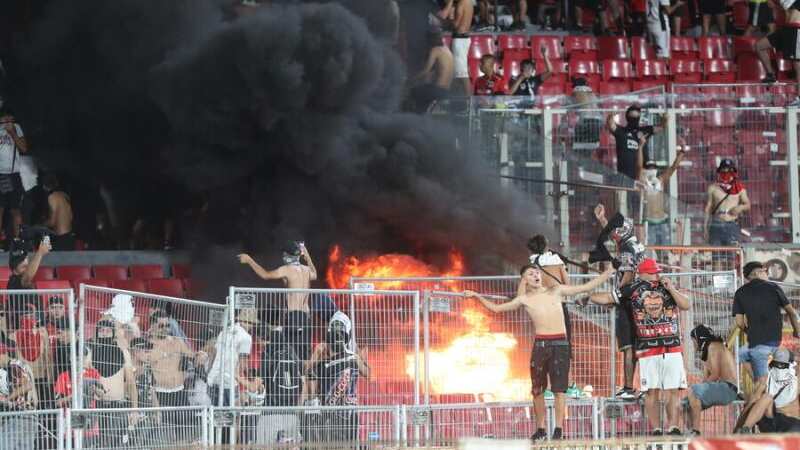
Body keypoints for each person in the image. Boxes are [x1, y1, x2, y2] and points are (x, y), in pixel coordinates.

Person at [466, 264, 615, 441]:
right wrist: (476, 296)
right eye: (531, 273)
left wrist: (607, 273)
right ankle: (541, 429)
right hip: (541, 345)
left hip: (560, 344)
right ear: (525, 280)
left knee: (560, 389)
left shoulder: (556, 290)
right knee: (537, 390)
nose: (536, 275)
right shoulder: (524, 299)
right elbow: (497, 309)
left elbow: (585, 287)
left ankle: (558, 430)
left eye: (537, 272)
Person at [622, 258, 690, 435]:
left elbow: (686, 305)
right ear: (642, 273)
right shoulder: (634, 289)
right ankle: (657, 429)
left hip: (672, 348)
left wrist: (671, 288)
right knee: (651, 391)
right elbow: (616, 294)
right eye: (653, 272)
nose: (657, 275)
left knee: (672, 390)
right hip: (647, 349)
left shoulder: (666, 288)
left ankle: (673, 427)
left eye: (657, 271)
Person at [238, 242, 317, 362]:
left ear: (287, 255)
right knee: (304, 357)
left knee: (290, 355)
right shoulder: (306, 270)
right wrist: (307, 255)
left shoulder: (286, 269)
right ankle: (302, 379)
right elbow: (315, 274)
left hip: (293, 317)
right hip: (306, 318)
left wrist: (249, 260)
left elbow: (265, 275)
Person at [304, 312, 370, 445]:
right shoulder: (352, 358)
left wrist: (315, 356)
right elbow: (368, 374)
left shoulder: (326, 363)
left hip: (340, 415)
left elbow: (308, 379)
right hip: (338, 416)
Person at [734, 261, 800, 384]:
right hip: (774, 341)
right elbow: (791, 312)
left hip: (756, 342)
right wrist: (796, 331)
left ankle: (759, 381)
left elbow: (739, 322)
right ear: (757, 273)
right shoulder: (773, 287)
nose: (767, 274)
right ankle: (764, 384)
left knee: (742, 355)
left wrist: (750, 332)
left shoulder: (740, 292)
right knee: (765, 382)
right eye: (765, 271)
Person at [148, 311, 204, 428]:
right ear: (152, 325)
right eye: (161, 325)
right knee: (166, 433)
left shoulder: (177, 341)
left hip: (180, 392)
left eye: (167, 325)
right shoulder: (148, 346)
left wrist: (201, 355)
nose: (165, 328)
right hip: (160, 394)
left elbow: (192, 355)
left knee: (185, 430)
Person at [90, 319, 138, 448]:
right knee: (100, 445)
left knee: (118, 446)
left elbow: (131, 383)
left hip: (118, 407)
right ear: (96, 333)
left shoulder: (123, 352)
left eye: (108, 330)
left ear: (113, 334)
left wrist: (134, 409)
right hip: (96, 408)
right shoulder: (89, 353)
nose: (104, 333)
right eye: (101, 330)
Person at [686, 325, 739, 436]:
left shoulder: (714, 346)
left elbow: (715, 374)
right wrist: (696, 392)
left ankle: (695, 431)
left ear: (699, 338)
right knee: (685, 403)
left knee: (693, 391)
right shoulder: (706, 352)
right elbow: (705, 380)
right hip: (723, 388)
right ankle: (690, 432)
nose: (693, 344)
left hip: (729, 388)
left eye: (693, 341)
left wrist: (696, 390)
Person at [736, 348, 800, 433]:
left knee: (763, 397)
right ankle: (744, 429)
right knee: (765, 397)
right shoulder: (766, 379)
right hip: (774, 420)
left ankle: (744, 428)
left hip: (789, 424)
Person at [637, 142, 686, 246]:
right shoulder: (643, 181)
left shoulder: (660, 180)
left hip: (662, 221)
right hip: (649, 222)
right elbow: (639, 167)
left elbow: (673, 167)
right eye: (649, 167)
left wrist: (682, 152)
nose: (651, 169)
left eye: (653, 167)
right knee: (648, 251)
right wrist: (640, 147)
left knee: (665, 253)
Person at [607, 105, 665, 181]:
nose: (633, 119)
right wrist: (610, 115)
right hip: (624, 177)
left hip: (642, 177)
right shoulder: (621, 131)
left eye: (636, 117)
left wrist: (665, 119)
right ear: (627, 117)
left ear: (639, 117)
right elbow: (611, 124)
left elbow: (661, 127)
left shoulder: (644, 131)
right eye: (631, 117)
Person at [758, 2, 800, 105]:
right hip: (786, 28)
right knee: (759, 46)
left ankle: (799, 98)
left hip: (796, 28)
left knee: (797, 65)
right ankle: (770, 74)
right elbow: (774, 5)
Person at [5, 237, 50, 330]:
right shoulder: (14, 281)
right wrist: (40, 253)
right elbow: (27, 277)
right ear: (14, 269)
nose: (27, 269)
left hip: (37, 325)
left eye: (27, 266)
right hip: (24, 328)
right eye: (23, 266)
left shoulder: (25, 281)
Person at [703, 159, 751, 246]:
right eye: (723, 170)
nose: (726, 173)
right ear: (719, 172)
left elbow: (747, 204)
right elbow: (708, 208)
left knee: (731, 254)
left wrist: (739, 208)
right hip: (716, 224)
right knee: (716, 256)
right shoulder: (713, 188)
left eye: (729, 170)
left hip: (731, 224)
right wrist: (705, 228)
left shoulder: (739, 188)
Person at [0, 110, 29, 244]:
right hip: (1, 174)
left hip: (13, 174)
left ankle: (18, 242)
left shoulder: (17, 128)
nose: (9, 120)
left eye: (11, 118)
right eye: (6, 117)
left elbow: (24, 149)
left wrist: (12, 133)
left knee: (15, 210)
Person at [410, 31, 454, 112]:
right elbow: (437, 70)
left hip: (437, 90)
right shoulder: (447, 50)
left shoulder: (435, 50)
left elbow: (426, 71)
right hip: (447, 91)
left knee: (413, 92)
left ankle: (419, 117)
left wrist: (411, 79)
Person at [41, 173, 74, 251]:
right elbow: (71, 216)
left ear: (45, 186)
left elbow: (52, 222)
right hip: (69, 236)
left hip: (60, 239)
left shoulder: (52, 197)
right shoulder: (65, 195)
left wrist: (41, 224)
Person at [450, 0, 474, 96]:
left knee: (462, 74)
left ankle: (469, 101)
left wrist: (449, 19)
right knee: (459, 72)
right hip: (465, 38)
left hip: (459, 39)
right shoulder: (469, 2)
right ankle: (464, 100)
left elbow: (456, 25)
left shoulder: (460, 4)